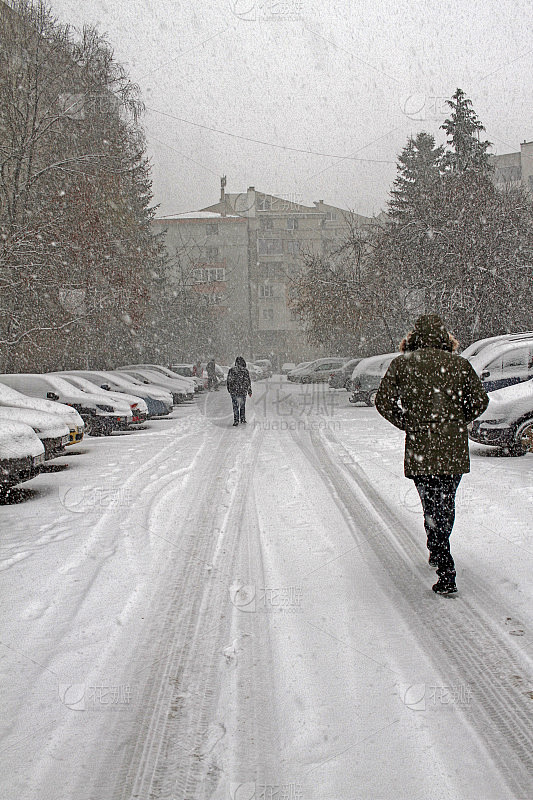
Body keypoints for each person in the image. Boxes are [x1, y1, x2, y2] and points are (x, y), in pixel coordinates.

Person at [375, 314, 489, 596]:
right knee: (446, 502)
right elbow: (480, 401)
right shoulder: (460, 365)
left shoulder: (402, 364)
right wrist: (457, 419)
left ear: (413, 337)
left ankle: (443, 561)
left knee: (431, 503)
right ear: (445, 337)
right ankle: (439, 546)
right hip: (452, 450)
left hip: (421, 448)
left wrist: (407, 421)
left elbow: (383, 401)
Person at [226, 356, 252, 426]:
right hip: (242, 391)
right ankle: (242, 419)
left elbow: (229, 380)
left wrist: (229, 388)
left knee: (235, 406)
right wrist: (249, 390)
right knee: (242, 405)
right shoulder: (245, 371)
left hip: (234, 391)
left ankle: (236, 420)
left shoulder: (231, 370)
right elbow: (248, 381)